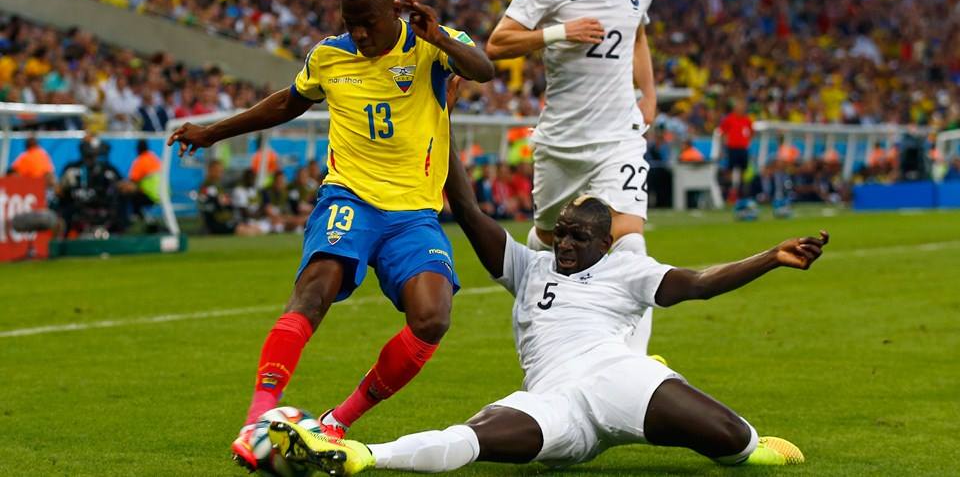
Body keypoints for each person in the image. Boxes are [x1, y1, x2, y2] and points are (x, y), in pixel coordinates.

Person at [268, 139, 829, 475]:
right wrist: (440, 130)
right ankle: (360, 456)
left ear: (603, 243)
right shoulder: (528, 265)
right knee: (473, 437)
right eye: (560, 233)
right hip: (556, 400)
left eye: (578, 237)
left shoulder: (625, 270)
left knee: (732, 439)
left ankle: (748, 448)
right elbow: (465, 207)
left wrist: (771, 257)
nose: (564, 243)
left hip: (617, 375)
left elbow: (701, 282)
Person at [166, 0, 494, 472]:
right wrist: (212, 132)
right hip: (350, 198)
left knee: (432, 317)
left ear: (395, 8)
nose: (358, 32)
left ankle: (337, 422)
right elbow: (287, 103)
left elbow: (484, 69)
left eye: (368, 21)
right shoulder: (330, 55)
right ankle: (257, 419)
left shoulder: (433, 42)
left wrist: (444, 41)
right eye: (350, 21)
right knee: (316, 286)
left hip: (412, 214)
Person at [485, 0, 658, 352]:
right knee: (548, 244)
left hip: (618, 138)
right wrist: (561, 32)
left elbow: (636, 38)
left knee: (629, 241)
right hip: (562, 143)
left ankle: (629, 363)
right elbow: (498, 43)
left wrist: (648, 93)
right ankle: (543, 335)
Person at [718, 99, 753, 200]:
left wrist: (746, 142)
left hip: (743, 148)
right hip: (732, 148)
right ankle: (728, 192)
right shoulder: (729, 119)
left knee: (743, 170)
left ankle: (741, 193)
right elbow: (722, 132)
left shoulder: (747, 120)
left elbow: (751, 132)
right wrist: (725, 145)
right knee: (730, 170)